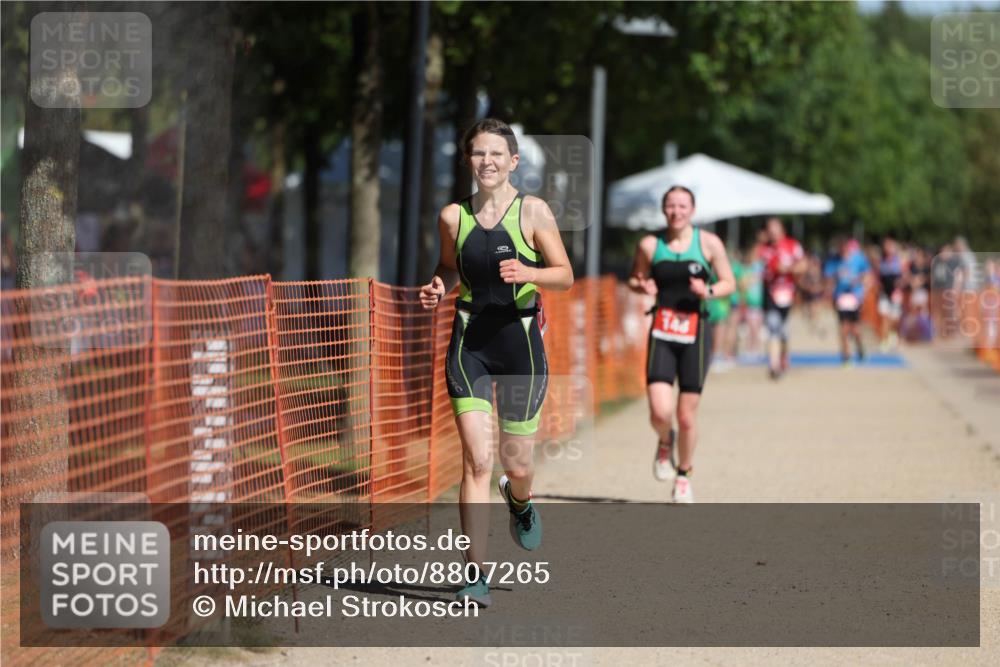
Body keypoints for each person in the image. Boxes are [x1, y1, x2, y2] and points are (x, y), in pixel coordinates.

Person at [419, 118, 573, 607]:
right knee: (477, 459)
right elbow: (448, 266)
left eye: (496, 154)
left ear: (513, 161)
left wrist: (528, 271)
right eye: (478, 154)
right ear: (468, 160)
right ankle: (475, 573)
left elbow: (565, 275)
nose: (487, 162)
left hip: (520, 343)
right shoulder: (452, 217)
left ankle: (520, 500)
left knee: (516, 462)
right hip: (470, 344)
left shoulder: (534, 211)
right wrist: (438, 286)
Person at [628, 186, 735, 503]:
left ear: (693, 209)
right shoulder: (650, 244)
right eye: (671, 205)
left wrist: (709, 291)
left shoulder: (709, 243)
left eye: (682, 205)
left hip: (696, 333)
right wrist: (642, 284)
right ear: (664, 210)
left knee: (686, 415)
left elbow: (728, 282)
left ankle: (684, 474)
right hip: (662, 330)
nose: (676, 211)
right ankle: (665, 441)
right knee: (660, 412)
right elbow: (635, 279)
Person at [759, 217, 806, 379]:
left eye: (775, 231)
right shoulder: (765, 249)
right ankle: (773, 365)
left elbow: (803, 265)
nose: (773, 234)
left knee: (784, 332)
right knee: (773, 328)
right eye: (770, 231)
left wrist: (789, 269)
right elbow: (765, 264)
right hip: (771, 295)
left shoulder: (793, 245)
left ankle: (784, 357)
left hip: (788, 294)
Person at [827, 238, 871, 365]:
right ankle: (846, 356)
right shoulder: (833, 261)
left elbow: (867, 274)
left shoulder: (858, 259)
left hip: (855, 297)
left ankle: (860, 348)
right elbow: (828, 278)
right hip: (840, 297)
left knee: (855, 329)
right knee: (843, 328)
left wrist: (858, 280)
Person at [877, 237, 906, 351]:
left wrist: (900, 283)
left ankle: (894, 335)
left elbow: (904, 277)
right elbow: (877, 277)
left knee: (895, 319)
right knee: (884, 317)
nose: (887, 248)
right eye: (886, 246)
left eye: (890, 246)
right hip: (884, 293)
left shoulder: (899, 261)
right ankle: (884, 341)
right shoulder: (881, 261)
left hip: (895, 293)